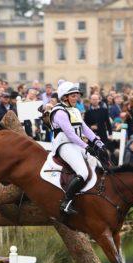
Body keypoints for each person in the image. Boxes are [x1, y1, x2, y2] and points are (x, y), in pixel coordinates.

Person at [49, 80, 108, 215]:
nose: (77, 98)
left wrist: (99, 143)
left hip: (76, 144)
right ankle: (66, 202)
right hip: (64, 145)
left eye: (77, 95)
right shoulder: (59, 112)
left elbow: (85, 128)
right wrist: (87, 146)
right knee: (83, 172)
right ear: (65, 97)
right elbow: (69, 133)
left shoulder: (74, 110)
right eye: (73, 95)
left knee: (98, 163)